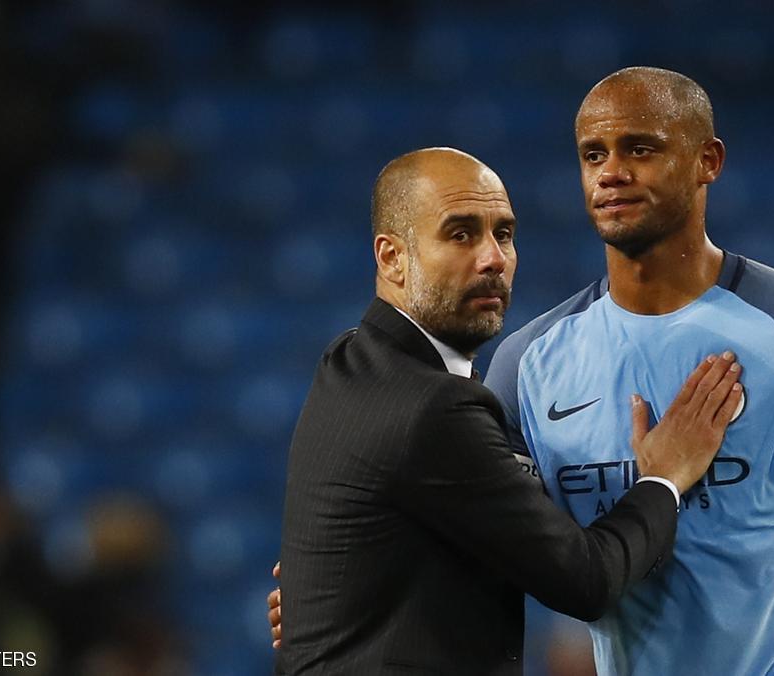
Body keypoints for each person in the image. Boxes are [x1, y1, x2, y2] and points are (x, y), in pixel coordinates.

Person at [271, 69, 774, 674]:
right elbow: (494, 544)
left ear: (708, 160)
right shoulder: (526, 365)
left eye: (641, 148)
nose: (611, 172)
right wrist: (347, 592)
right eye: (593, 153)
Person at [275, 146, 744, 675]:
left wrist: (333, 594)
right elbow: (586, 582)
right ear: (391, 258)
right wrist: (664, 479)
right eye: (460, 234)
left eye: (503, 233)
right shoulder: (434, 408)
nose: (493, 258)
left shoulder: (349, 360)